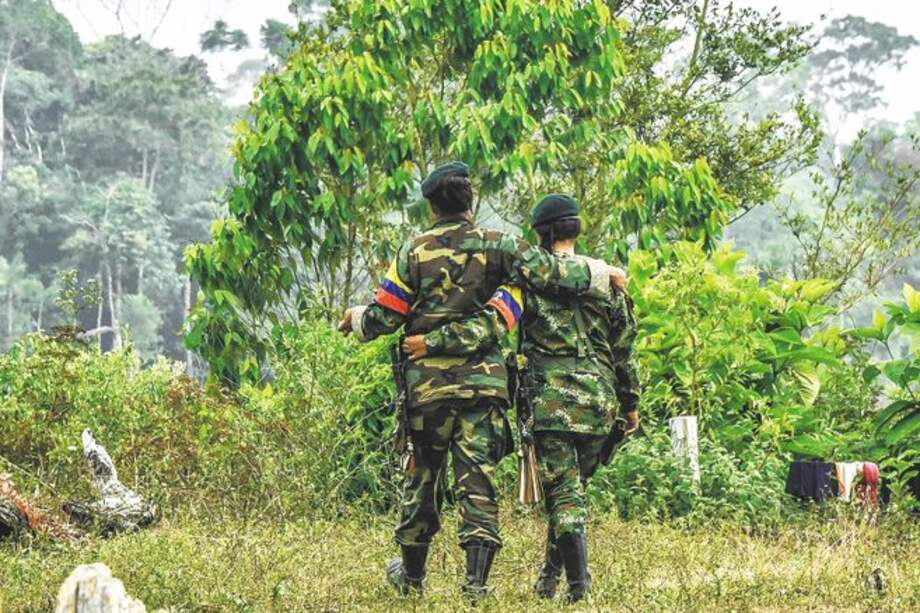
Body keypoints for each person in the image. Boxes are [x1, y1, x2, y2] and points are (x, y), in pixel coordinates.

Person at [338, 164, 624, 598]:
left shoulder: (412, 252)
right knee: (478, 483)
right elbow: (551, 272)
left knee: (422, 480)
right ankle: (476, 584)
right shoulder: (501, 245)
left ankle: (412, 578)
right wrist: (603, 274)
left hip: (427, 391)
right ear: (470, 203)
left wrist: (356, 319)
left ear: (432, 205)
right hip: (483, 390)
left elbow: (387, 315)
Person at [402, 194, 640, 603]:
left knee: (564, 494)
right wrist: (630, 403)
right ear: (576, 230)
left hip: (553, 403)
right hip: (601, 405)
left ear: (539, 234)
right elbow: (625, 350)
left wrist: (432, 342)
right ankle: (550, 579)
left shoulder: (525, 285)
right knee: (573, 491)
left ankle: (579, 588)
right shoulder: (607, 283)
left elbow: (492, 327)